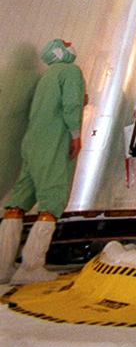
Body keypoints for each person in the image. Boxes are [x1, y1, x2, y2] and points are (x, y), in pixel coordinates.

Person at [0, 40, 85, 284]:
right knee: (52, 201)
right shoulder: (71, 72)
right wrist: (76, 135)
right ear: (61, 52)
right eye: (67, 43)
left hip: (32, 143)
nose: (71, 44)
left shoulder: (46, 77)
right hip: (55, 142)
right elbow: (71, 105)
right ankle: (31, 267)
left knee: (17, 202)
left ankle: (3, 266)